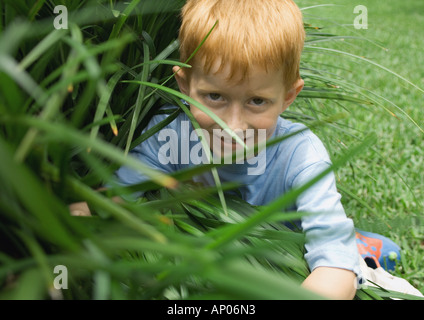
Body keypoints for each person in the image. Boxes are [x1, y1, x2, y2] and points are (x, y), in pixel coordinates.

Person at [70, 0, 422, 299]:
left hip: (289, 254)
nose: (232, 125)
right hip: (223, 260)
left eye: (257, 101)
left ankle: (367, 246)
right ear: (184, 84)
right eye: (214, 97)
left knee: (352, 256)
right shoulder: (168, 134)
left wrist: (336, 266)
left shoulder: (301, 156)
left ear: (288, 96)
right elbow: (117, 196)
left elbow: (335, 267)